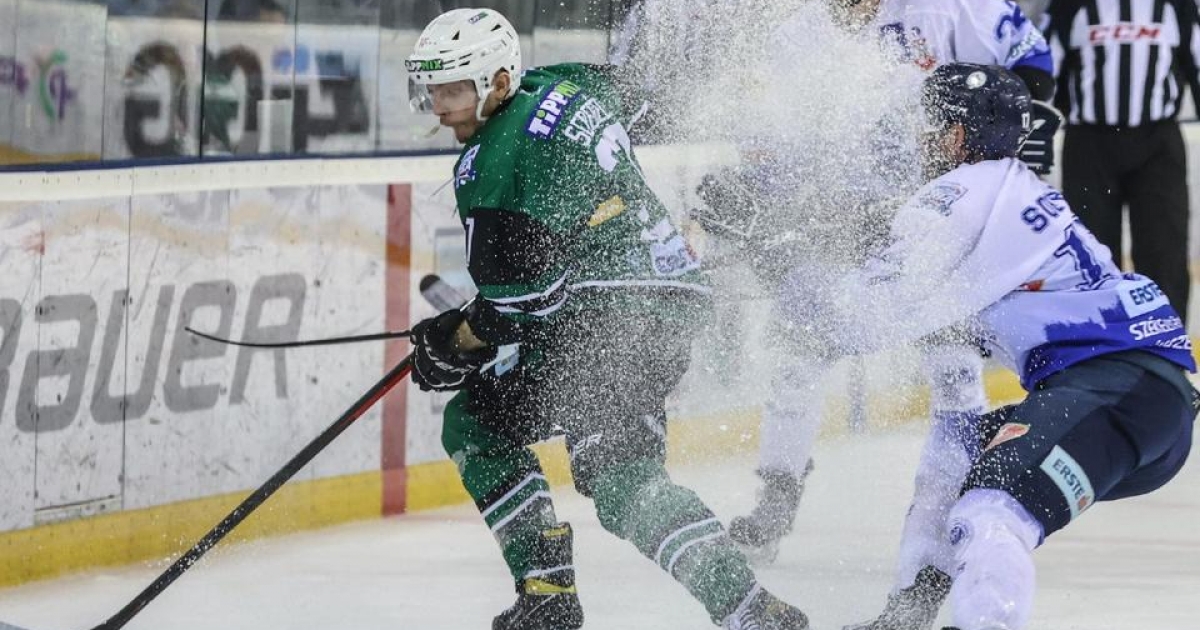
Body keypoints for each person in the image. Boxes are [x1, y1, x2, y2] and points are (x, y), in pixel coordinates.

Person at [404, 8, 809, 630]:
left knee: (477, 423)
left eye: (456, 89)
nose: (441, 106)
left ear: (500, 81)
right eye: (433, 88)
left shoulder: (495, 165)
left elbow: (519, 308)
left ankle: (549, 596)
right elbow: (644, 100)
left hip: (605, 322)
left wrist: (450, 343)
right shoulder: (563, 83)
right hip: (666, 300)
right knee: (623, 476)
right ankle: (751, 610)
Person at [820, 62, 1196, 630]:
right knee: (957, 452)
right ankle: (907, 614)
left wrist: (783, 262)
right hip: (1139, 399)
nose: (921, 136)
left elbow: (863, 315)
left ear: (959, 134)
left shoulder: (958, 194)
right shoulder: (1008, 185)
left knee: (993, 506)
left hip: (1114, 387)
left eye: (933, 123)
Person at [704, 0, 1060, 566]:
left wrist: (998, 166)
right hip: (834, 216)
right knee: (797, 357)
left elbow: (1032, 62)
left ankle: (960, 509)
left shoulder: (948, 8)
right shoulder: (796, 37)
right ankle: (775, 501)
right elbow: (775, 134)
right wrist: (759, 195)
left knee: (953, 367)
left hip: (931, 218)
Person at [1045, 0, 1200, 325]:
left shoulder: (1177, 5)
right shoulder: (1070, 6)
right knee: (1090, 253)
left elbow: (1195, 62)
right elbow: (1047, 71)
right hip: (1090, 145)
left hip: (1158, 144)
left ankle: (1166, 348)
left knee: (1164, 250)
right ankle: (1102, 352)